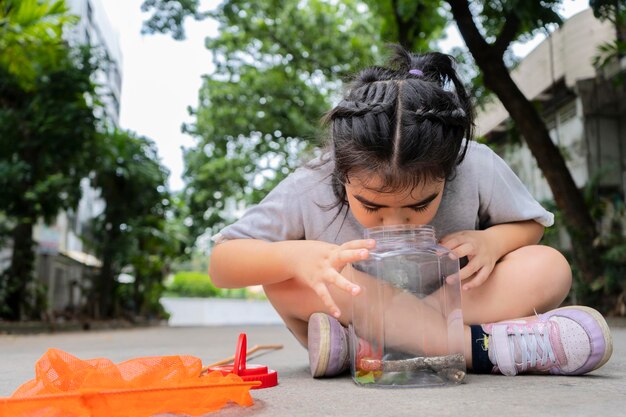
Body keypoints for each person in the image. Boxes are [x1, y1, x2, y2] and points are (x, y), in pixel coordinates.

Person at [209, 45, 613, 378]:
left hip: (452, 303)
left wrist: (493, 240)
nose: (397, 222)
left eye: (420, 204)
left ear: (450, 167)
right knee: (283, 278)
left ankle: (368, 349)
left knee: (549, 265)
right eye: (372, 205)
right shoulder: (311, 182)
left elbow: (530, 225)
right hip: (358, 308)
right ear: (341, 170)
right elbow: (222, 262)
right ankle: (482, 350)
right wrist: (295, 256)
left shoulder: (476, 163)